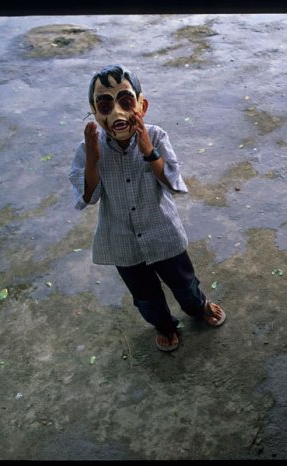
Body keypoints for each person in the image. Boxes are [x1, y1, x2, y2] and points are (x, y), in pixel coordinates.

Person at [69, 64, 226, 352]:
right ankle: (164, 325)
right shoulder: (88, 149)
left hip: (162, 232)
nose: (116, 113)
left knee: (183, 280)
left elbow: (174, 183)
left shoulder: (156, 136)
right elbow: (89, 197)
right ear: (94, 112)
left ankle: (198, 305)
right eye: (105, 105)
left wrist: (148, 151)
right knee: (144, 295)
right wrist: (92, 159)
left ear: (143, 105)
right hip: (122, 243)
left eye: (126, 102)